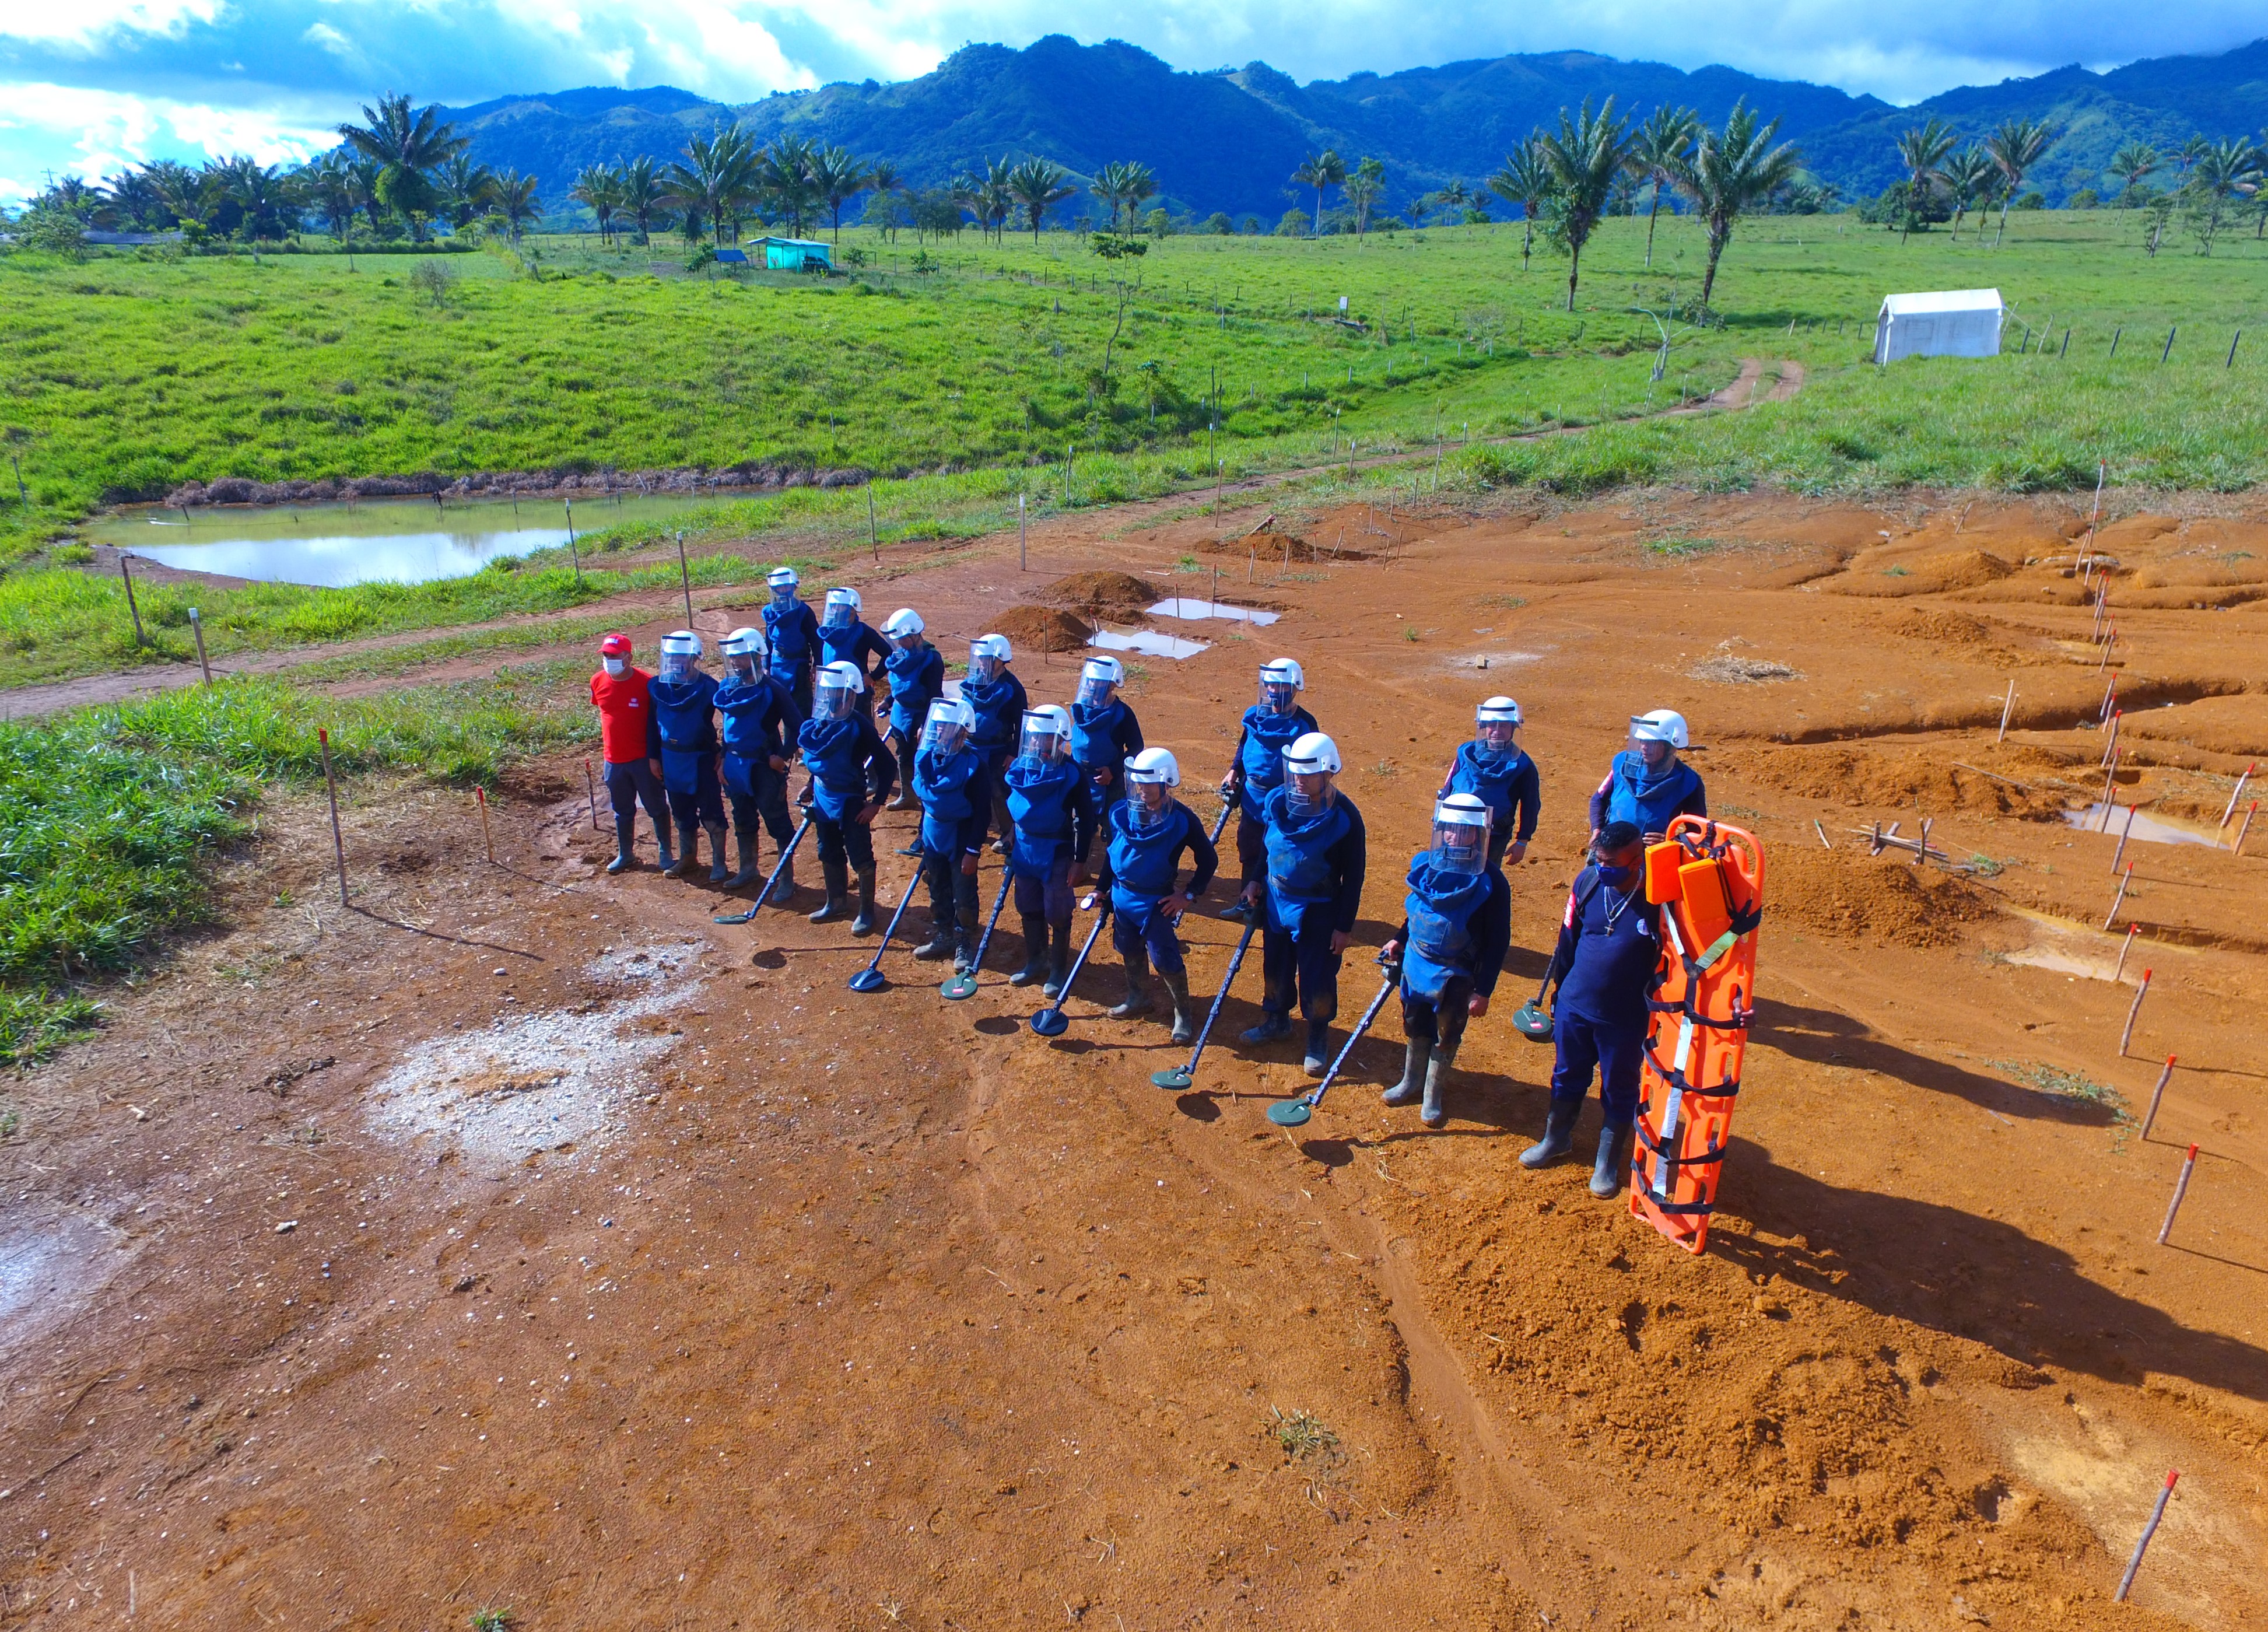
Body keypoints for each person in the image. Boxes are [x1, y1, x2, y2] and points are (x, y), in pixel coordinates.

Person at [1521, 821, 1661, 1199]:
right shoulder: (1587, 884)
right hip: (1574, 1006)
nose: (1603, 868)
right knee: (1566, 1074)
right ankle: (1556, 1139)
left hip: (1624, 1018)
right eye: (1599, 859)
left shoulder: (1659, 900)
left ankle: (1606, 1164)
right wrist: (1557, 993)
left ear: (1637, 861)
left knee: (1619, 1088)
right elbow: (1566, 942)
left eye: (1611, 862)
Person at [1237, 731, 1366, 1076]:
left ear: (1328, 773)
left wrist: (1344, 926)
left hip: (1319, 909)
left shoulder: (1346, 818)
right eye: (1294, 771)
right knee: (1275, 966)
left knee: (1317, 976)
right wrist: (1254, 878)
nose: (1297, 779)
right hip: (1278, 901)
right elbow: (1268, 845)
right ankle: (1276, 1019)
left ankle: (1318, 1037)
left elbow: (1354, 876)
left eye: (1306, 772)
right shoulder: (1278, 801)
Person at [1380, 794, 1512, 1129]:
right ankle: (1411, 1082)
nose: (1454, 836)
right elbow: (1419, 909)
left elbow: (1498, 940)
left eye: (1463, 831)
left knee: (1447, 1031)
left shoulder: (1492, 882)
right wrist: (1400, 938)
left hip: (1458, 974)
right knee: (1414, 1021)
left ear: (1477, 835)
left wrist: (1484, 990)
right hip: (1417, 962)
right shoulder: (1425, 864)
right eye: (1449, 829)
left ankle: (1432, 1095)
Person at [1097, 747, 1217, 1042]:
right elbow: (1113, 855)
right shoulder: (1120, 813)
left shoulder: (1182, 820)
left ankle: (1183, 1013)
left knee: (1165, 958)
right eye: (1138, 781)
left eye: (1149, 782)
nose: (1142, 788)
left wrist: (1187, 896)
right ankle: (1137, 997)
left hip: (1156, 903)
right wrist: (1102, 888)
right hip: (1123, 897)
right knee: (1128, 949)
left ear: (1166, 783)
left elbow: (1209, 860)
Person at [1001, 704, 1098, 998]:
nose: (1035, 742)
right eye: (1033, 736)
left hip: (1056, 849)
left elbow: (1087, 818)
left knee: (1057, 911)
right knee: (1028, 906)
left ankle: (1058, 969)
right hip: (1025, 848)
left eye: (1042, 737)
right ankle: (1036, 960)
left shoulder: (1071, 773)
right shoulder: (1021, 766)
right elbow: (1016, 805)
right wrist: (1011, 835)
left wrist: (1080, 861)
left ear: (1057, 739)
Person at [797, 659, 898, 933]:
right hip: (822, 795)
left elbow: (887, 765)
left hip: (850, 800)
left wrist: (876, 804)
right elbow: (817, 759)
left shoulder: (858, 725)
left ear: (851, 695)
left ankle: (867, 912)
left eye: (837, 694)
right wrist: (810, 784)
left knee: (860, 854)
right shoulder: (819, 722)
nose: (830, 700)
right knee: (827, 850)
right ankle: (836, 901)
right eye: (827, 694)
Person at [1220, 658, 1319, 920]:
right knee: (1249, 848)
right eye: (1270, 686)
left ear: (1294, 688)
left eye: (1279, 687)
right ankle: (1246, 904)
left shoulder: (1305, 725)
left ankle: (1269, 908)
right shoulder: (1254, 715)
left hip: (1284, 803)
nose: (1273, 692)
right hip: (1252, 796)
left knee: (1275, 852)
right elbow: (1244, 745)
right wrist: (1234, 771)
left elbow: (1310, 766)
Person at [714, 625, 802, 897]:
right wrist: (721, 760)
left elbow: (797, 726)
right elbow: (727, 729)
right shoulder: (727, 689)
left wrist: (783, 756)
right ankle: (748, 868)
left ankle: (786, 879)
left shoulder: (773, 689)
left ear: (756, 657)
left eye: (741, 657)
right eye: (733, 658)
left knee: (777, 822)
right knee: (742, 817)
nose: (736, 663)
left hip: (764, 767)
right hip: (734, 765)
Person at [909, 698, 989, 969]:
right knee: (937, 886)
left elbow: (982, 813)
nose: (939, 732)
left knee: (963, 893)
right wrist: (923, 836)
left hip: (961, 835)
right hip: (934, 833)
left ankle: (964, 940)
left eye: (946, 727)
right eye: (937, 726)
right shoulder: (926, 758)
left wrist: (973, 851)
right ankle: (943, 935)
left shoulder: (973, 765)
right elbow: (926, 801)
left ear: (962, 731)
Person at [647, 629, 730, 884]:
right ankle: (688, 858)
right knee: (681, 813)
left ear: (694, 659)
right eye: (672, 657)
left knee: (711, 814)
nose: (676, 662)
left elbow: (731, 719)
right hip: (671, 760)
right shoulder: (657, 686)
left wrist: (725, 753)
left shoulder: (708, 687)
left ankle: (719, 862)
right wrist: (653, 757)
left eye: (682, 657)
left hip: (701, 759)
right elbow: (651, 724)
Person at [588, 632, 674, 874]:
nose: (609, 659)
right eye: (606, 655)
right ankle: (626, 853)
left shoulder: (647, 684)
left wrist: (655, 757)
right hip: (613, 760)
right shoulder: (597, 681)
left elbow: (657, 724)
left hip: (642, 760)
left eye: (614, 655)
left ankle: (665, 853)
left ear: (629, 658)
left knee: (656, 806)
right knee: (622, 809)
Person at [1440, 696, 1540, 871]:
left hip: (1493, 837)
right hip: (1457, 831)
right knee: (1449, 873)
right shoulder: (1465, 753)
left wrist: (1522, 842)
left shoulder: (1523, 766)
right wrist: (1442, 825)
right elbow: (1448, 789)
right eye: (1492, 725)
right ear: (1483, 726)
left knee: (1487, 880)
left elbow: (1531, 805)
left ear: (1513, 729)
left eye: (1504, 725)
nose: (1497, 730)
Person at [1588, 709, 1704, 845]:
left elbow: (1698, 829)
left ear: (1671, 747)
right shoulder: (1623, 764)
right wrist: (1597, 829)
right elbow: (1598, 800)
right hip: (1609, 847)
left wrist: (1672, 841)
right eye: (1642, 741)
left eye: (1652, 743)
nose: (1644, 747)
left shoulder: (1688, 782)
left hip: (1648, 857)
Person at [960, 633, 1029, 853]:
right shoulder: (974, 681)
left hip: (998, 751)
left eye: (986, 659)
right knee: (970, 789)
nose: (981, 663)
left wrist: (1013, 753)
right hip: (971, 747)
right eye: (979, 658)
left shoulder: (1013, 689)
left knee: (1000, 793)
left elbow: (1022, 725)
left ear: (1001, 659)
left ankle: (1009, 834)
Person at [879, 608, 944, 811]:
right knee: (903, 756)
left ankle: (926, 800)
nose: (899, 643)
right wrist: (889, 701)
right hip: (901, 715)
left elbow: (935, 695)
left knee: (922, 759)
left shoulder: (932, 659)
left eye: (903, 639)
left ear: (915, 635)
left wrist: (926, 725)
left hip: (920, 716)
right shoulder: (900, 657)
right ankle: (907, 795)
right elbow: (899, 685)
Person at [1069, 655, 1145, 816]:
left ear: (1112, 685)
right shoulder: (1080, 710)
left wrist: (1114, 770)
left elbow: (1137, 747)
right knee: (1081, 825)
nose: (1092, 685)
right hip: (1080, 779)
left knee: (1114, 823)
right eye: (1090, 680)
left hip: (1110, 784)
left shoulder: (1122, 714)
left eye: (1098, 682)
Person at [817, 587, 892, 722]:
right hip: (830, 690)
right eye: (834, 607)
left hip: (855, 693)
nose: (835, 610)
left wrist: (873, 677)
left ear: (852, 609)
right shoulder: (826, 632)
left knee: (860, 730)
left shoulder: (863, 632)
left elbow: (888, 654)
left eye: (839, 607)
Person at [762, 566, 821, 720]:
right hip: (777, 664)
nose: (783, 590)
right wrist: (766, 665)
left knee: (801, 709)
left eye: (786, 586)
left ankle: (802, 740)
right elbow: (768, 641)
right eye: (779, 587)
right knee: (776, 706)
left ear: (794, 587)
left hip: (798, 666)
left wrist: (817, 665)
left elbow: (816, 640)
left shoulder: (804, 611)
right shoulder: (770, 611)